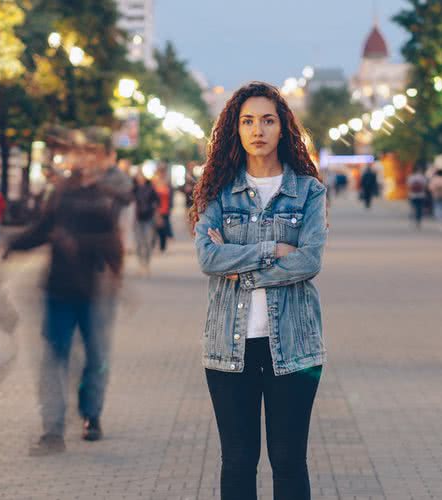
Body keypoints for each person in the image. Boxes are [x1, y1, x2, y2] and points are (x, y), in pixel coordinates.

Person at [190, 81, 327, 500]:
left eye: (268, 120)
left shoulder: (309, 191)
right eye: (247, 120)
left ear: (283, 128)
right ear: (235, 129)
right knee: (237, 461)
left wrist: (240, 263)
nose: (258, 129)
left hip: (295, 346)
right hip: (228, 348)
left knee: (288, 463)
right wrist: (272, 250)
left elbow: (309, 261)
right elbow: (208, 259)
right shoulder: (216, 190)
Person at [4, 158, 122, 455]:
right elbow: (41, 230)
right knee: (55, 358)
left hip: (91, 291)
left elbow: (111, 243)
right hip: (58, 291)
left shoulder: (99, 202)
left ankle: (91, 415)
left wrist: (82, 247)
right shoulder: (58, 198)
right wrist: (13, 244)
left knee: (94, 358)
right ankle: (53, 429)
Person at [132, 172, 160, 276]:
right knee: (139, 243)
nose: (140, 179)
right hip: (138, 219)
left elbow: (157, 201)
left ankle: (147, 264)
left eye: (142, 177)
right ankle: (140, 265)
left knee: (148, 242)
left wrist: (156, 213)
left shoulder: (150, 188)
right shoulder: (134, 189)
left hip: (149, 218)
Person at [152, 166, 173, 253]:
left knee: (163, 229)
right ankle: (152, 245)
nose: (160, 175)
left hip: (165, 209)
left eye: (162, 173)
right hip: (156, 210)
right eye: (159, 173)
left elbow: (170, 196)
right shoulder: (153, 183)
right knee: (154, 228)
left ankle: (162, 247)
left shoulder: (167, 184)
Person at [407, 164, 428, 228]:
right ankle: (418, 221)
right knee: (420, 209)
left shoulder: (411, 177)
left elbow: (408, 185)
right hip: (421, 195)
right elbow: (425, 185)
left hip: (412, 195)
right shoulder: (422, 177)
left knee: (414, 208)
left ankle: (414, 220)